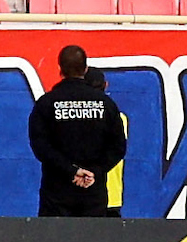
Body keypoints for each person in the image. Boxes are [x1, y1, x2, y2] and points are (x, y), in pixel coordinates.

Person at [28, 45, 127, 218]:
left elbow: (40, 147)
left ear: (60, 69)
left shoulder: (47, 103)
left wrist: (71, 170)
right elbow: (118, 147)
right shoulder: (106, 104)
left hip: (56, 194)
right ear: (85, 68)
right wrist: (94, 171)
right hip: (93, 194)